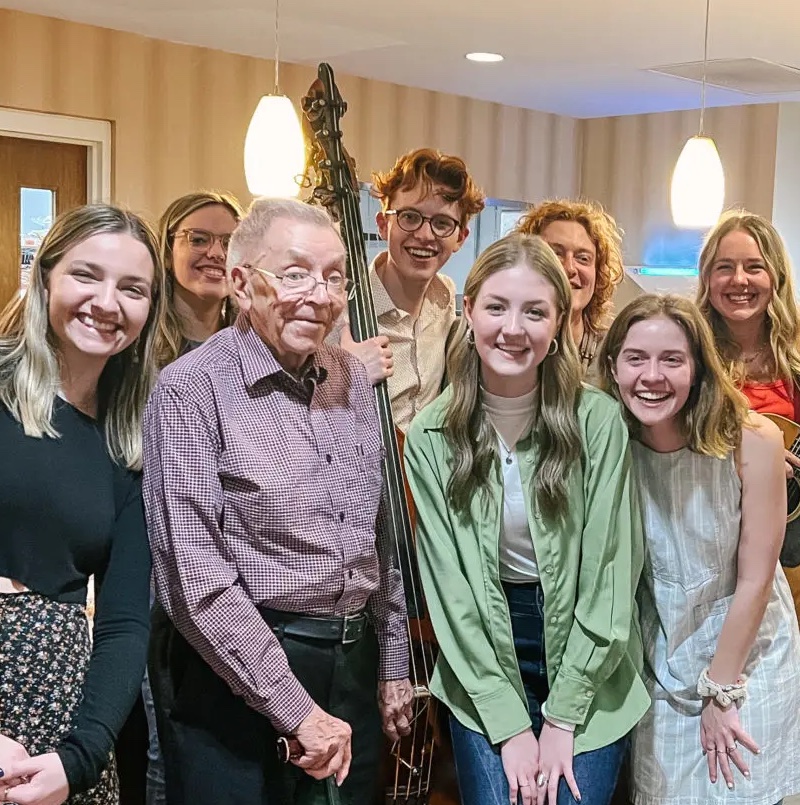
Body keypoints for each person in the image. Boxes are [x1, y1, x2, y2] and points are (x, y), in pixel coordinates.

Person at [143, 197, 413, 805]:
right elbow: (195, 578)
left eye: (335, 275)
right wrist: (296, 711)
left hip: (352, 666)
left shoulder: (353, 381)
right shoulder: (191, 388)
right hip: (236, 675)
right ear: (242, 283)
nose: (318, 294)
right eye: (293, 273)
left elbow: (384, 539)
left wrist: (393, 662)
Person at [403, 231, 649, 805]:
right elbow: (450, 592)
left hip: (591, 654)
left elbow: (610, 577)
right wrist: (510, 726)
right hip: (482, 654)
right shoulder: (431, 435)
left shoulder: (598, 421)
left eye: (534, 311)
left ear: (559, 322)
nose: (513, 329)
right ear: (468, 311)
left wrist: (562, 718)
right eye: (496, 306)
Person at [598, 293, 800, 805]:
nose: (652, 376)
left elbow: (755, 579)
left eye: (672, 359)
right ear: (613, 366)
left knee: (737, 786)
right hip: (662, 649)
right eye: (636, 358)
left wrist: (721, 691)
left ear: (699, 368)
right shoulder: (607, 445)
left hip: (749, 650)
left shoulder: (754, 440)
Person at [0, 204, 164, 804]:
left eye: (132, 289)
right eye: (85, 275)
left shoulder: (134, 440)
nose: (106, 302)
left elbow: (124, 622)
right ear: (46, 277)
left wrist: (82, 756)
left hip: (60, 721)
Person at [129, 190, 243, 805]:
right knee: (163, 734)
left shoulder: (252, 342)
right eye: (198, 239)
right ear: (168, 244)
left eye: (227, 242)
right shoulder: (142, 344)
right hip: (157, 563)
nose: (214, 253)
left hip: (236, 568)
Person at [696, 210, 800, 616]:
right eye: (725, 268)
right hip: (710, 545)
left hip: (790, 556)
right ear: (708, 279)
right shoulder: (688, 354)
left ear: (775, 277)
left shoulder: (795, 358)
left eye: (754, 267)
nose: (739, 280)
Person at [337, 147, 485, 429]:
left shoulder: (445, 300)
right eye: (409, 217)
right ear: (384, 225)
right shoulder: (341, 314)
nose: (425, 235)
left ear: (460, 238)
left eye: (442, 223)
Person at [515, 199, 625, 377]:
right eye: (555, 253)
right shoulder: (505, 344)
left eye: (583, 258)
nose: (570, 268)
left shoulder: (617, 353)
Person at [153, 190, 244, 368]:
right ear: (168, 253)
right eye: (199, 240)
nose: (217, 254)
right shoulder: (137, 347)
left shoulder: (255, 349)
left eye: (230, 244)